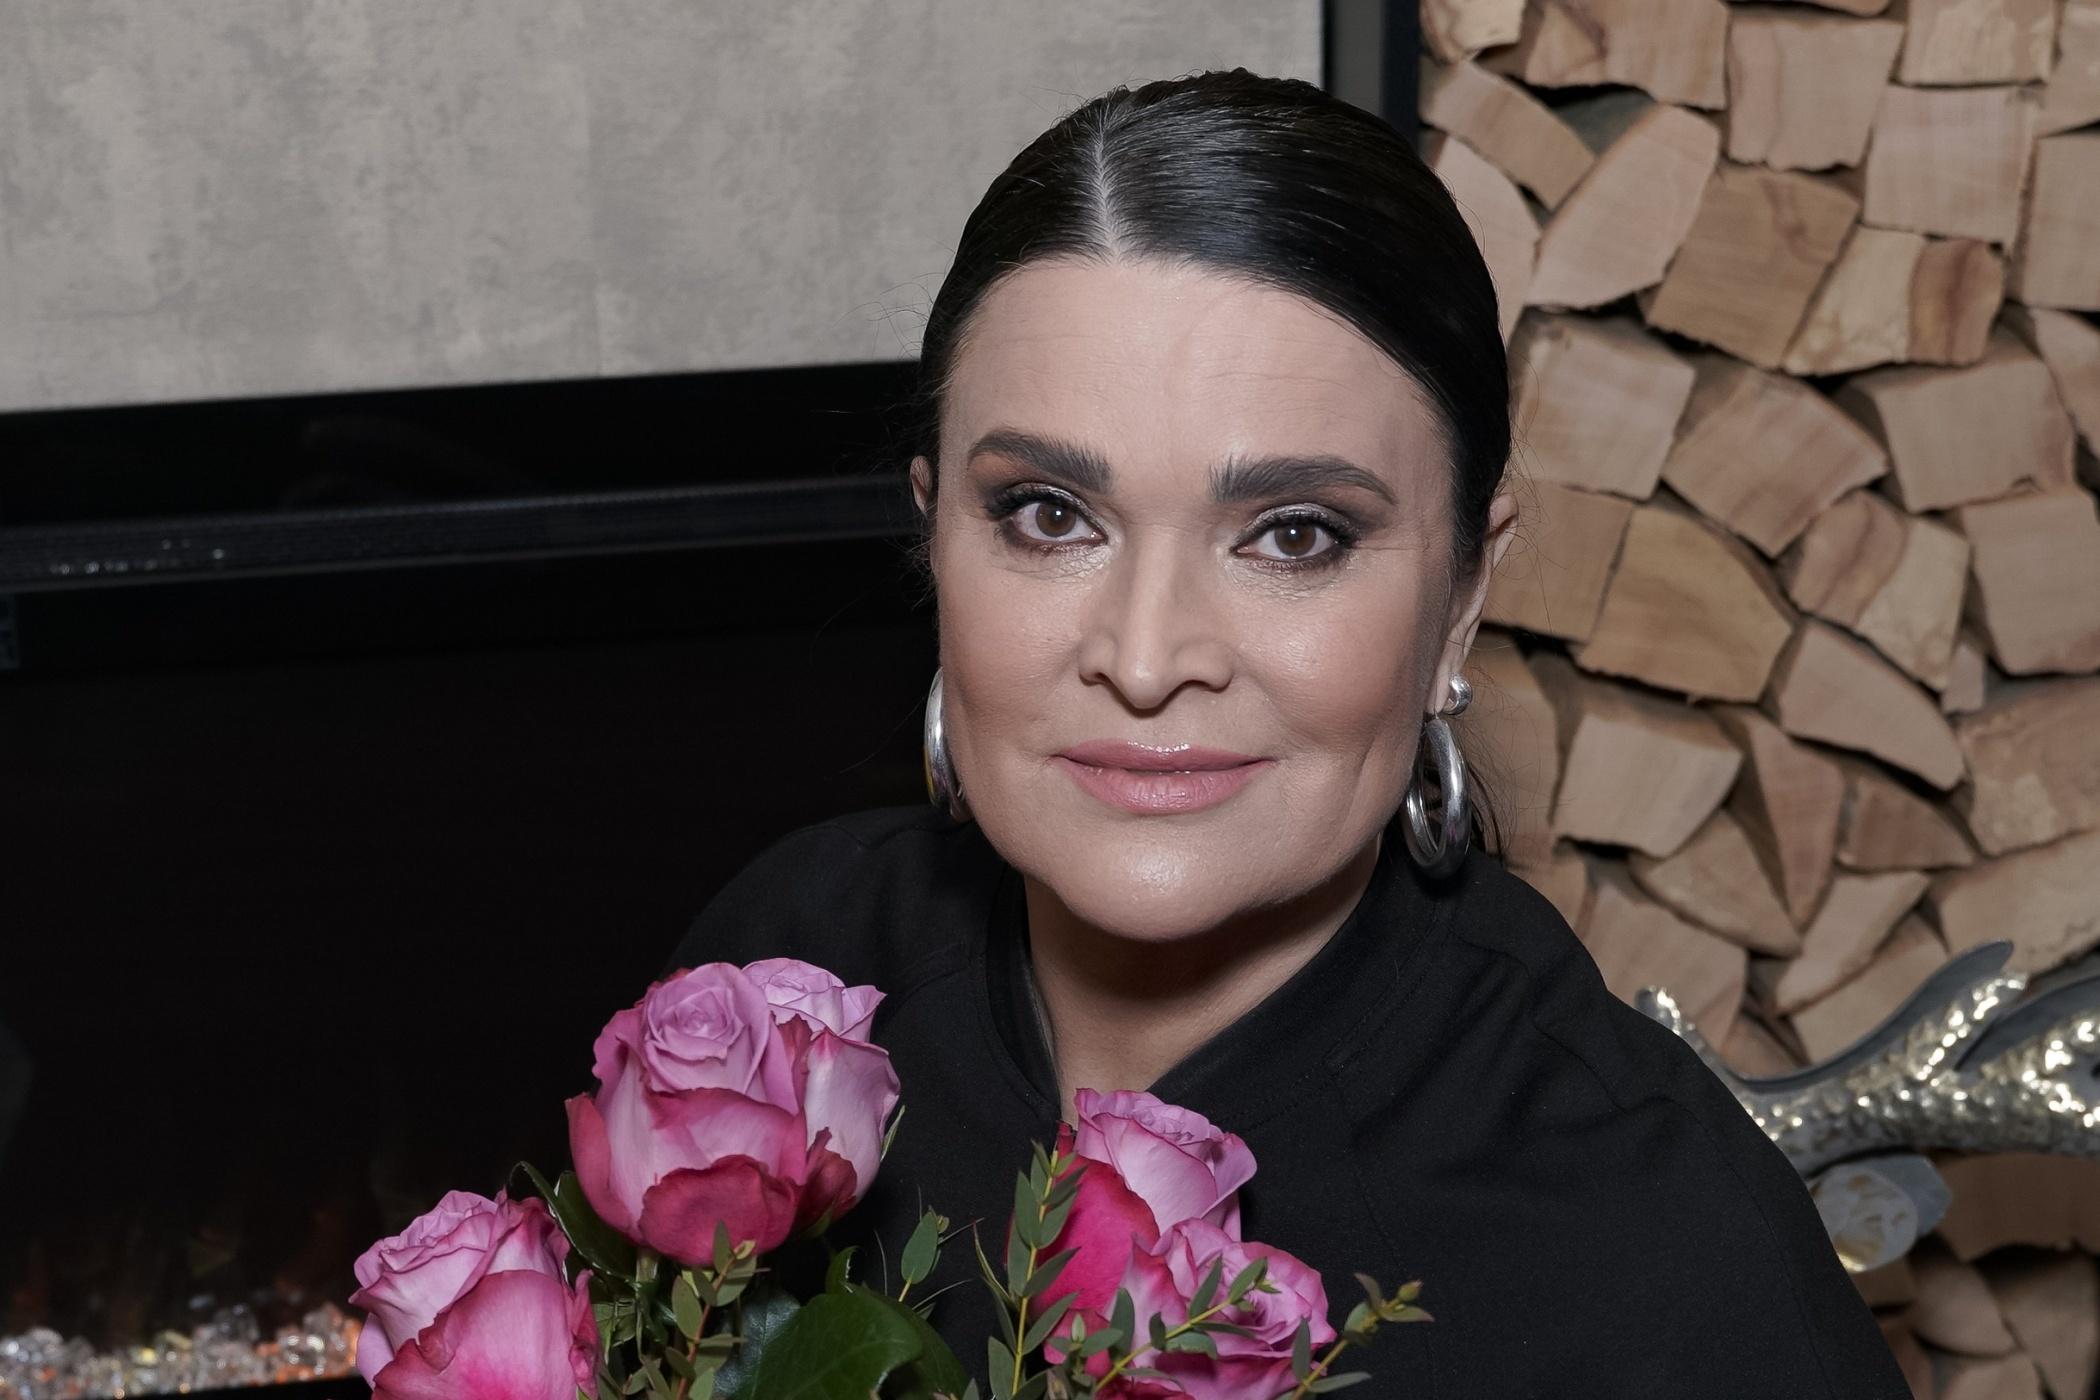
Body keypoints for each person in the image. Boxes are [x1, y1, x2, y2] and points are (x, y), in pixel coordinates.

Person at [670, 69, 1909, 1397]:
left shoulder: (1667, 1263)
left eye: (1294, 536)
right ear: (934, 538)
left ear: (1461, 597)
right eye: (1049, 515)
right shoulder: (778, 988)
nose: (1148, 659)